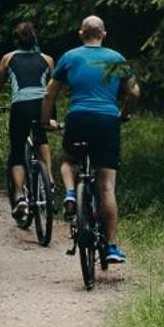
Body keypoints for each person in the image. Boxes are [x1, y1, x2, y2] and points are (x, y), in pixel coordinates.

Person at [40, 14, 138, 264]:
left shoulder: (70, 57)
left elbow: (50, 94)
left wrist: (45, 121)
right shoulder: (117, 59)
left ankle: (71, 193)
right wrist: (122, 115)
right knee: (106, 185)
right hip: (107, 121)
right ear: (104, 34)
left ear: (81, 34)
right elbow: (134, 92)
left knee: (68, 160)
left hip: (79, 117)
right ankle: (112, 246)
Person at [0, 20, 56, 224]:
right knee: (41, 137)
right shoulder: (47, 59)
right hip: (43, 103)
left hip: (21, 106)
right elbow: (54, 88)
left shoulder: (9, 58)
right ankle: (48, 178)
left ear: (16, 40)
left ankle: (20, 198)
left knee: (17, 149)